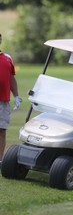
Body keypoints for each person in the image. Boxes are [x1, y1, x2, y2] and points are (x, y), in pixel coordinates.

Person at [0, 32, 22, 163]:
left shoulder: (7, 58)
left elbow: (11, 78)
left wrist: (16, 96)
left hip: (3, 102)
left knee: (1, 132)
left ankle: (0, 160)